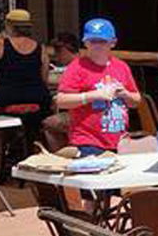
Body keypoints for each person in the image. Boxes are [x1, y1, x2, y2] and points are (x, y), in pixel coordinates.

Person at [0, 9, 51, 172]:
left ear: (9, 25)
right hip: (38, 97)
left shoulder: (2, 44)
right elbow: (44, 76)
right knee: (35, 124)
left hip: (9, 96)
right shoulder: (40, 47)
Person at [53, 18, 140, 156]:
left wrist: (125, 94)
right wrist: (93, 95)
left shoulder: (122, 67)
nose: (97, 45)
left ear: (113, 42)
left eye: (102, 41)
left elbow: (136, 100)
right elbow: (61, 100)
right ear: (85, 43)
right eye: (93, 41)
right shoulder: (76, 67)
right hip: (88, 141)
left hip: (121, 142)